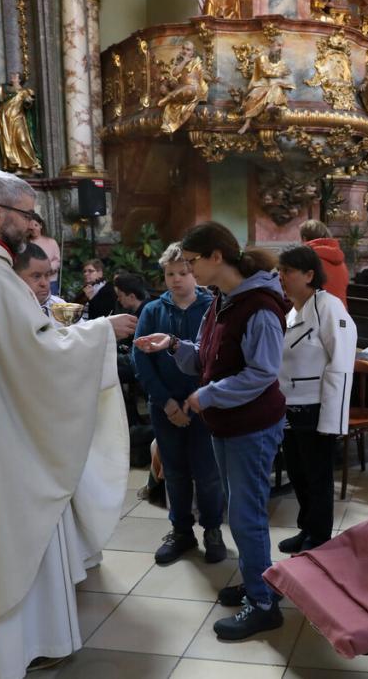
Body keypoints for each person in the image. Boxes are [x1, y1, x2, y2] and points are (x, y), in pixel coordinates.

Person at [0, 170, 136, 678]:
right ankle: (30, 644)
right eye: (27, 215)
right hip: (5, 438)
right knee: (16, 528)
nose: (33, 226)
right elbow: (40, 353)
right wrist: (103, 332)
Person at [134, 221, 288, 640]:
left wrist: (209, 394)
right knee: (238, 511)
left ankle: (263, 604)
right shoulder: (223, 299)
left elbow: (262, 373)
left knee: (245, 515)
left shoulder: (259, 306)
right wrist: (174, 345)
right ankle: (257, 583)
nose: (188, 270)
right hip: (227, 423)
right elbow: (208, 356)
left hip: (252, 426)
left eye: (192, 261)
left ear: (217, 257)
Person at [132, 243, 225, 566]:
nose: (176, 279)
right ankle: (181, 531)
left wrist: (198, 400)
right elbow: (141, 359)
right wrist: (167, 402)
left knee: (208, 473)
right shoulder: (152, 311)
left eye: (183, 272)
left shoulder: (212, 307)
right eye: (170, 273)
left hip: (204, 405)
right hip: (165, 405)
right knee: (174, 472)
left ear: (194, 273)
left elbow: (216, 357)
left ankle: (212, 529)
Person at [276, 245, 356, 554]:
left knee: (317, 477)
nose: (281, 277)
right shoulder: (292, 310)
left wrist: (333, 420)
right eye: (279, 271)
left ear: (309, 275)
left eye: (288, 271)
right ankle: (306, 528)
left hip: (316, 408)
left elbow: (341, 363)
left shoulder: (328, 306)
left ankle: (320, 538)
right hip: (289, 407)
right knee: (298, 473)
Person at [237, 41, 294, 135]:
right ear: (270, 46)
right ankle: (247, 123)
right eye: (277, 46)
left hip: (276, 85)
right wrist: (279, 73)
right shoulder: (262, 58)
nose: (279, 49)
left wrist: (279, 76)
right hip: (262, 84)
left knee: (277, 88)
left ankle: (270, 105)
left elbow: (287, 74)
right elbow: (265, 72)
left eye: (281, 47)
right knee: (253, 96)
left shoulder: (282, 63)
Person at [158, 40, 209, 135]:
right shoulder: (179, 63)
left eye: (188, 50)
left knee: (189, 91)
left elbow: (203, 74)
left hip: (194, 88)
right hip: (182, 87)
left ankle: (169, 97)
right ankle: (170, 96)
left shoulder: (196, 62)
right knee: (179, 89)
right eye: (184, 49)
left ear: (192, 52)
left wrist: (211, 79)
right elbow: (175, 73)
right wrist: (184, 61)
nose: (185, 51)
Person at [299, 219, 349, 307]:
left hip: (317, 312)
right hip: (340, 312)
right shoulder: (340, 261)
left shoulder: (307, 259)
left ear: (304, 238)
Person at [12, 242, 65, 320]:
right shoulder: (8, 310)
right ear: (16, 276)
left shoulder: (61, 306)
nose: (44, 283)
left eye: (47, 275)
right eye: (36, 276)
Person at [29, 218, 61, 295]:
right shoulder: (26, 243)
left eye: (36, 225)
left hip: (50, 279)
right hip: (33, 281)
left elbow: (57, 260)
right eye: (31, 227)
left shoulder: (51, 242)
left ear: (41, 225)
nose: (33, 229)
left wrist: (48, 268)